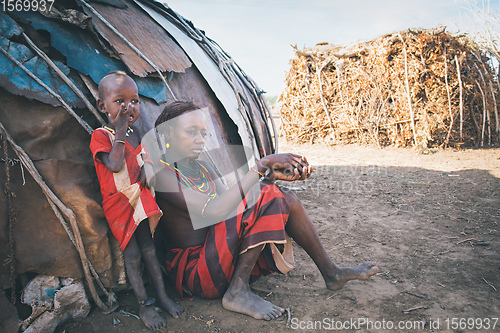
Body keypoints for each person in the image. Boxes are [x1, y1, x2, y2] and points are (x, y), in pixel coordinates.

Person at [153, 101, 378, 321]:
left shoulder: (203, 167)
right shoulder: (161, 175)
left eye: (203, 133)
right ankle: (237, 291)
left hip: (221, 256)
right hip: (199, 273)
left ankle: (332, 272)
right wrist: (260, 167)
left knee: (282, 196)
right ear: (168, 134)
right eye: (191, 132)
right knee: (266, 193)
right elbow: (214, 210)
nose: (200, 140)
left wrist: (268, 178)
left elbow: (230, 205)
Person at [89, 71, 184, 330]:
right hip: (119, 205)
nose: (128, 107)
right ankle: (145, 304)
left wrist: (149, 168)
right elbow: (115, 163)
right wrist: (119, 130)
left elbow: (145, 160)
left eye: (135, 101)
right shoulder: (102, 136)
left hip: (140, 202)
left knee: (150, 250)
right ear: (102, 106)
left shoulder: (136, 134)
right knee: (132, 255)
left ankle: (162, 296)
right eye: (120, 101)